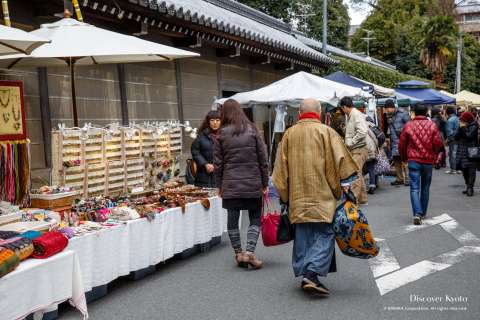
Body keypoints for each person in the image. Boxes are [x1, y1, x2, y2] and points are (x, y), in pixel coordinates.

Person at [272, 99, 358, 296]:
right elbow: (342, 162)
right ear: (318, 113)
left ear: (300, 112)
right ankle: (311, 274)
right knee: (325, 233)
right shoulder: (327, 132)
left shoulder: (289, 134)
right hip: (322, 195)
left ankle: (305, 273)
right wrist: (346, 189)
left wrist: (285, 197)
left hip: (298, 196)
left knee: (303, 235)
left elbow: (279, 173)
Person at [214, 99, 269, 269]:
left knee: (232, 219)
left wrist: (219, 186)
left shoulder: (221, 134)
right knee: (254, 218)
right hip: (253, 182)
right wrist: (265, 182)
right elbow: (263, 159)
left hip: (230, 184)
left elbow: (218, 164)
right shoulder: (252, 130)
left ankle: (238, 254)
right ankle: (249, 253)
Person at [398, 104, 444, 225]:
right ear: (426, 112)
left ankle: (417, 213)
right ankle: (422, 212)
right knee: (425, 188)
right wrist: (434, 156)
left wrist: (404, 158)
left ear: (414, 112)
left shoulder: (408, 125)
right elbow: (438, 144)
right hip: (428, 161)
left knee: (414, 188)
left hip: (413, 160)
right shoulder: (432, 125)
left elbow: (402, 144)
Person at [340, 97, 369, 204]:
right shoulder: (351, 115)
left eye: (342, 108)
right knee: (358, 173)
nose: (342, 111)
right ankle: (363, 198)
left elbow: (362, 131)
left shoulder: (355, 114)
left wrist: (351, 141)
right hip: (357, 148)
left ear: (344, 107)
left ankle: (353, 200)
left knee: (355, 173)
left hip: (359, 148)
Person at [190, 110, 221, 188]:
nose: (215, 123)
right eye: (212, 120)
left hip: (220, 175)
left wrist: (216, 166)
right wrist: (205, 164)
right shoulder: (201, 136)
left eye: (217, 120)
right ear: (208, 121)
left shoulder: (225, 135)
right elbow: (195, 151)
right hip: (203, 175)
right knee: (204, 199)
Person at [385, 99, 411, 186]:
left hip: (403, 141)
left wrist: (402, 132)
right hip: (393, 141)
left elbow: (410, 126)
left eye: (388, 108)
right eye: (386, 108)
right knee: (396, 161)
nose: (387, 110)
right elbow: (389, 128)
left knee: (405, 161)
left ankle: (408, 179)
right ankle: (399, 178)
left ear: (392, 107)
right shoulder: (388, 116)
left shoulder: (403, 113)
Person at [455, 112, 479, 197]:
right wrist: (460, 129)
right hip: (462, 150)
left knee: (471, 170)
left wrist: (463, 128)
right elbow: (456, 137)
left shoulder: (474, 126)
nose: (461, 121)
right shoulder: (462, 126)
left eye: (463, 120)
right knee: (464, 169)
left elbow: (468, 137)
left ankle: (470, 188)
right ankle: (467, 185)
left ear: (467, 120)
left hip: (471, 150)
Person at [365, 116, 380, 194]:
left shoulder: (363, 125)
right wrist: (377, 148)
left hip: (366, 149)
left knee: (368, 167)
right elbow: (375, 138)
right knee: (372, 167)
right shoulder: (373, 126)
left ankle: (371, 185)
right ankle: (374, 184)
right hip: (372, 149)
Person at [445, 107, 460, 174]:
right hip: (459, 139)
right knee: (457, 153)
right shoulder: (458, 118)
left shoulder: (450, 120)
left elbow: (450, 133)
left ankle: (453, 169)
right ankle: (458, 169)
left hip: (453, 140)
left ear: (447, 112)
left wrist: (448, 139)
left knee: (452, 154)